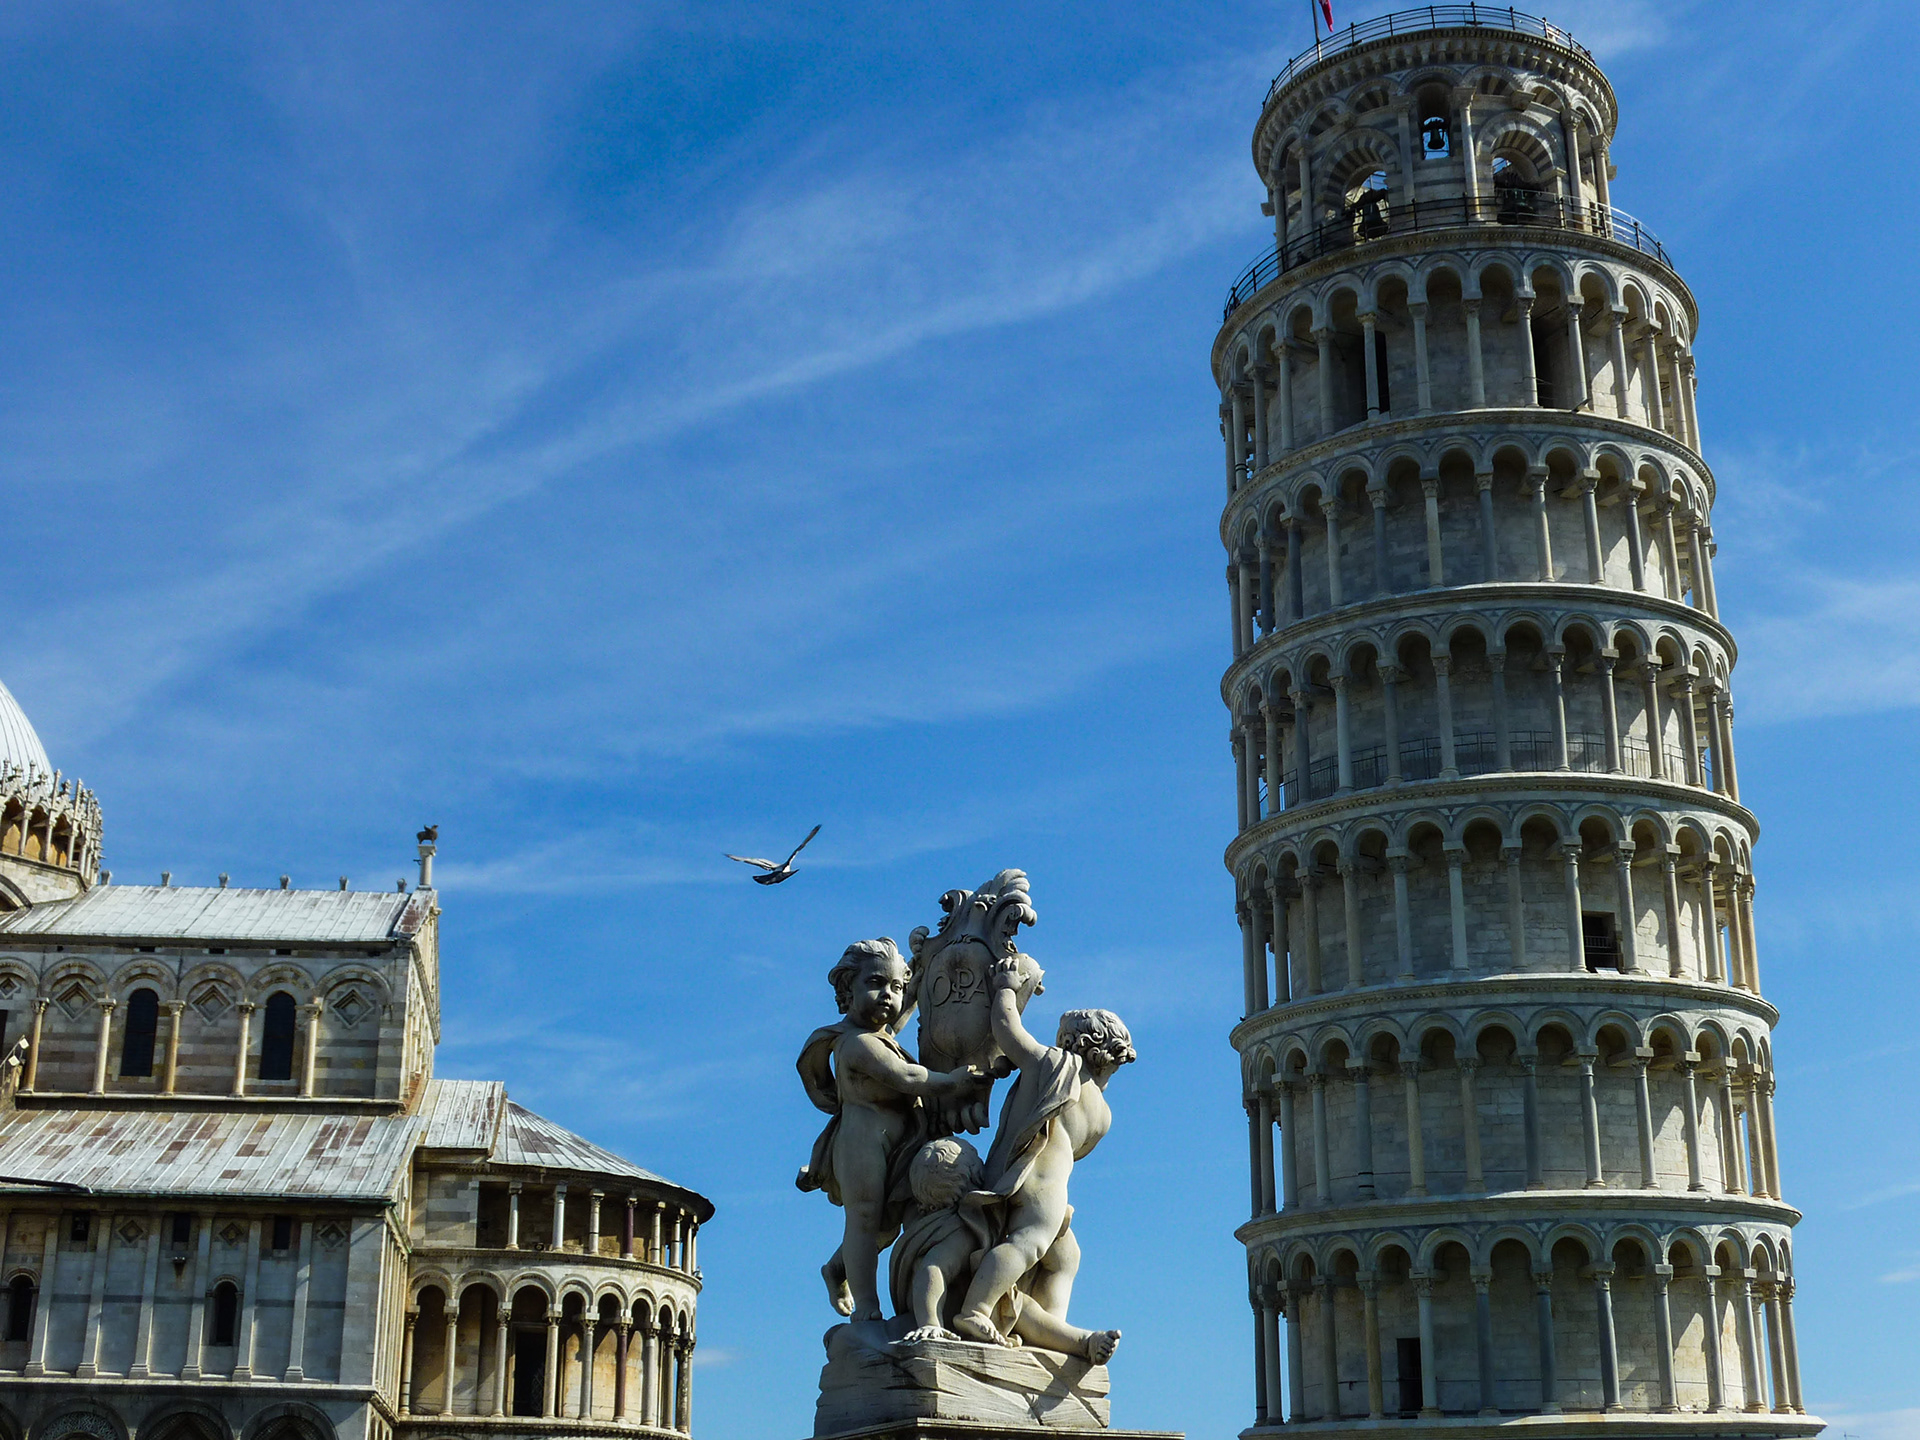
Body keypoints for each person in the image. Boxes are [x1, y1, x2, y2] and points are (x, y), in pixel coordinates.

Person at [947, 956, 1133, 1362]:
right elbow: (1079, 1151)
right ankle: (975, 1309)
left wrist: (1007, 989)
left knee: (1063, 1255)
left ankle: (1048, 1330)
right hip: (1042, 1183)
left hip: (1040, 1182)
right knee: (1029, 1244)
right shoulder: (1098, 1109)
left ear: (1074, 1043)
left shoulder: (1056, 1069)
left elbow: (1008, 1031)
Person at [797, 939, 987, 1322]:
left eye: (895, 987)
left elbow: (903, 1015)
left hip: (902, 1143)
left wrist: (919, 977)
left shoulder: (880, 1033)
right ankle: (867, 1307)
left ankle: (838, 1268)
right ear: (847, 989)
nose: (888, 995)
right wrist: (953, 1081)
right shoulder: (856, 1044)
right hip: (861, 1144)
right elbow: (906, 1076)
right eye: (875, 983)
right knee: (865, 1218)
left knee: (885, 1224)